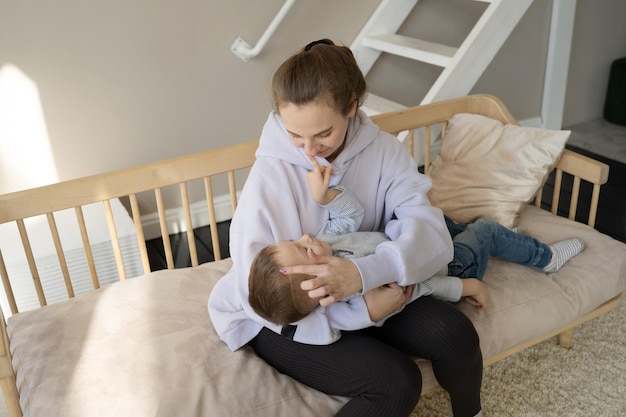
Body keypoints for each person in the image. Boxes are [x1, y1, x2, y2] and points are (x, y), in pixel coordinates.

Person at [209, 38, 482, 417]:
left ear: (351, 106)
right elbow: (259, 290)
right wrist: (360, 312)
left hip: (361, 286)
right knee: (396, 383)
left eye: (323, 134)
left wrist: (361, 275)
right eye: (294, 135)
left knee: (455, 336)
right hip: (277, 313)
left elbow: (431, 236)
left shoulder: (385, 151)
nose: (309, 150)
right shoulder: (268, 175)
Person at [248, 156, 584, 328]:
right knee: (485, 231)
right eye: (302, 247)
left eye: (295, 238)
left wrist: (327, 197)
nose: (306, 236)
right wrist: (466, 287)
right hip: (448, 266)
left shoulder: (326, 243)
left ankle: (514, 244)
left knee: (437, 220)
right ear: (319, 285)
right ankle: (547, 257)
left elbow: (349, 216)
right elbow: (420, 286)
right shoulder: (359, 293)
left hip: (414, 244)